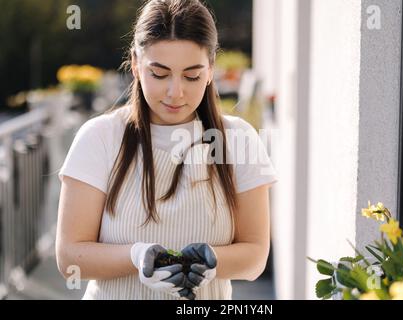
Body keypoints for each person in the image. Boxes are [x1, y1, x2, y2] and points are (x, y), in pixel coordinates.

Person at [56, 0, 278, 300]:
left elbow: (255, 259)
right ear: (135, 64)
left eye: (192, 76)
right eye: (159, 74)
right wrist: (137, 256)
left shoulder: (239, 140)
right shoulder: (99, 137)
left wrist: (210, 261)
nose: (176, 92)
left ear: (211, 69)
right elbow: (70, 258)